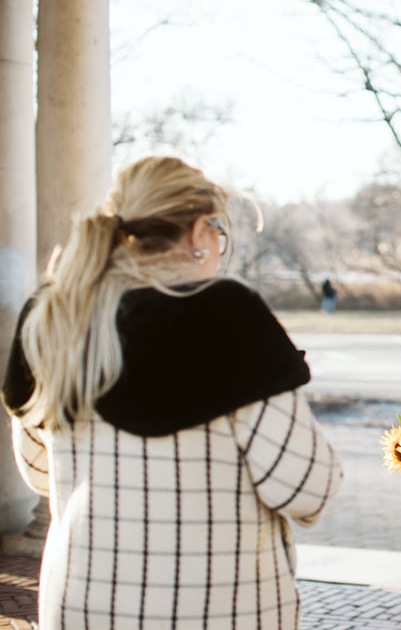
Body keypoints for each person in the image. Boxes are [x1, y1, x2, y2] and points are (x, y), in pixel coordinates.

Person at [1, 156, 342, 629]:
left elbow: (38, 472)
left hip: (81, 604)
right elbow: (305, 490)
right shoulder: (230, 317)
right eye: (219, 234)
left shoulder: (53, 316)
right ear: (201, 231)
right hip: (216, 608)